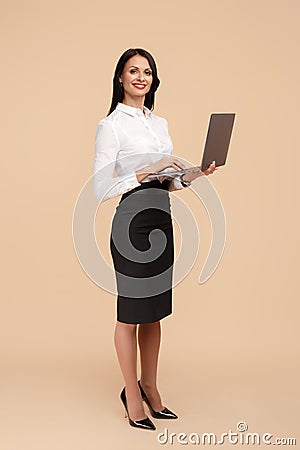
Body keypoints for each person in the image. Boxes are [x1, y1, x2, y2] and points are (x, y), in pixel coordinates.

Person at [93, 48, 217, 431]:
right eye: (133, 71)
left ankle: (151, 386)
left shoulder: (159, 123)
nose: (141, 77)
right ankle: (132, 394)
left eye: (147, 72)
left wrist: (194, 174)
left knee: (154, 312)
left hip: (161, 221)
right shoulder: (111, 125)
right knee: (130, 313)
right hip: (131, 223)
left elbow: (170, 182)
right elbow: (100, 187)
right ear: (120, 78)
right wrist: (149, 168)